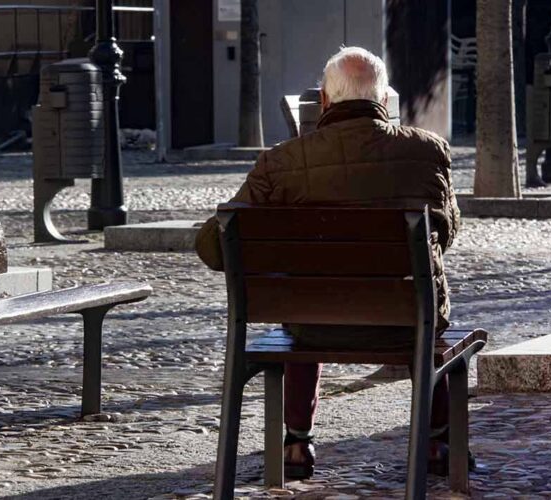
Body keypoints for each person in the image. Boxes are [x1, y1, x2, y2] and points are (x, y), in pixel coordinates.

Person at [195, 46, 461, 480]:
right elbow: (445, 233)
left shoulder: (280, 162)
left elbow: (213, 246)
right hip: (408, 320)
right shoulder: (428, 152)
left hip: (312, 322)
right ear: (385, 101)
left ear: (324, 99)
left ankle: (297, 443)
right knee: (423, 313)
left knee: (308, 298)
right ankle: (436, 443)